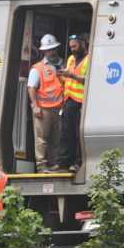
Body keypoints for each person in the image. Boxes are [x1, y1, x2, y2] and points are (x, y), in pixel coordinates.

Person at [27, 34, 64, 173]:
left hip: (58, 108)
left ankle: (53, 163)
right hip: (43, 109)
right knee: (42, 139)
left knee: (56, 138)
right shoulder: (37, 68)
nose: (52, 51)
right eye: (49, 50)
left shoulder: (61, 65)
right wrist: (35, 106)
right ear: (44, 51)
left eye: (53, 48)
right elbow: (31, 88)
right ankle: (42, 166)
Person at [56, 34, 90, 172]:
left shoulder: (89, 59)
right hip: (68, 100)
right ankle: (64, 162)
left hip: (81, 101)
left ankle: (77, 163)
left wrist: (72, 76)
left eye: (75, 46)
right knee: (65, 132)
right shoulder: (70, 59)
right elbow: (67, 76)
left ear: (82, 44)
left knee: (78, 133)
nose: (73, 50)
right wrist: (62, 75)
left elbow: (88, 79)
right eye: (71, 47)